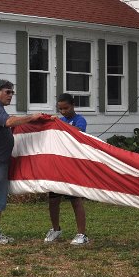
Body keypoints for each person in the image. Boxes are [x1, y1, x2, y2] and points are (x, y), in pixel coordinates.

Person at [0, 79, 46, 246]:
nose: (10, 96)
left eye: (12, 93)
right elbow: (9, 122)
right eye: (7, 92)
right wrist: (31, 118)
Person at [44, 93, 90, 246]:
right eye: (60, 109)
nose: (63, 112)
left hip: (72, 167)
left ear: (73, 105)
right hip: (58, 166)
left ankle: (82, 234)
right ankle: (55, 229)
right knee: (53, 200)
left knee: (75, 200)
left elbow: (78, 132)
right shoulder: (60, 121)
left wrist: (60, 126)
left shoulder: (79, 120)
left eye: (66, 108)